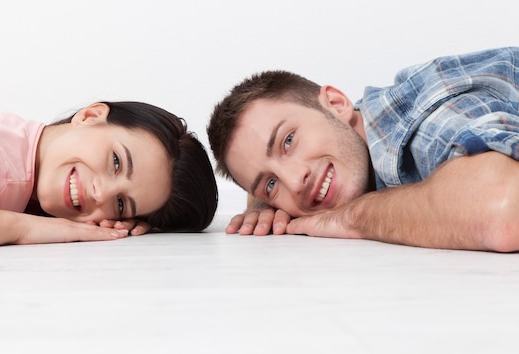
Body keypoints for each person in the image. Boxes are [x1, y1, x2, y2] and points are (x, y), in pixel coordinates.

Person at [208, 46, 519, 252]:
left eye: (288, 141)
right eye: (271, 183)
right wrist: (263, 206)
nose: (295, 180)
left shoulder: (423, 121)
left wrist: (353, 217)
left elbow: (503, 212)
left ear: (337, 104)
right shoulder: (348, 143)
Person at [0, 93, 218, 255]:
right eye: (116, 162)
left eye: (121, 204)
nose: (100, 193)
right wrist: (19, 227)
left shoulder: (25, 178)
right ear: (90, 115)